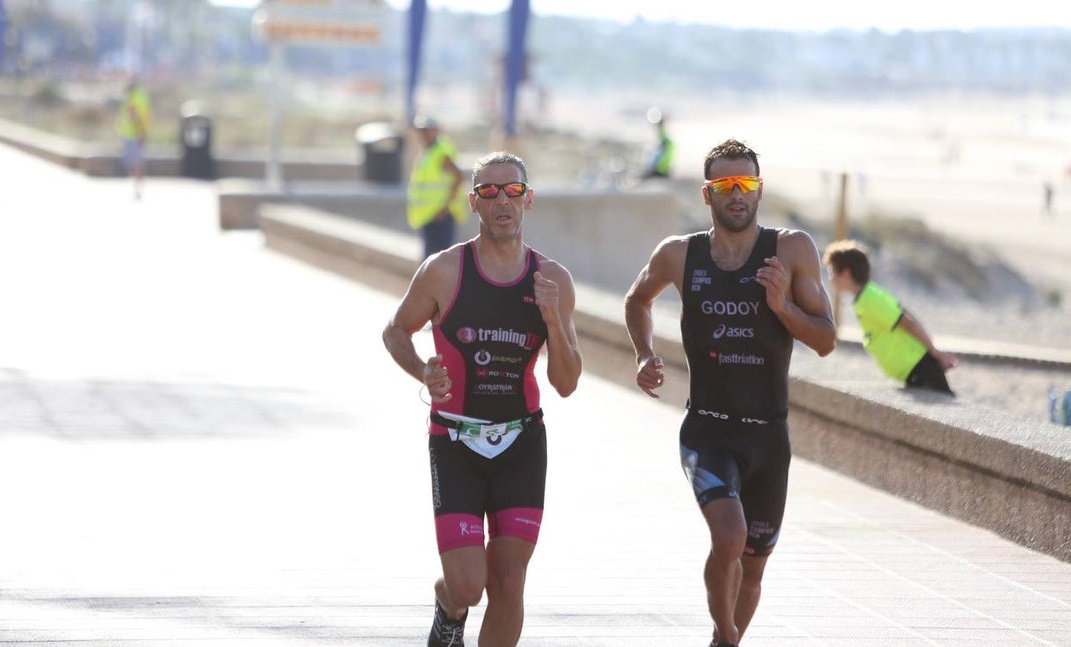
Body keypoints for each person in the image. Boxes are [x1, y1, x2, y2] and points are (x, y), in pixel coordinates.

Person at [623, 138, 835, 647]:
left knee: (754, 567)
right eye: (725, 185)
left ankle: (724, 641)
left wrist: (782, 306)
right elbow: (637, 300)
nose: (736, 194)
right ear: (707, 193)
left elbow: (826, 339)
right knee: (729, 537)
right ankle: (726, 632)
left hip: (769, 436)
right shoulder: (679, 254)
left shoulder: (791, 249)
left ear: (759, 190)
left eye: (746, 184)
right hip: (708, 429)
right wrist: (644, 354)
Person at [383, 151, 582, 647]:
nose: (502, 201)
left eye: (513, 191)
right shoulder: (444, 270)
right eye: (489, 192)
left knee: (509, 581)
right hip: (455, 442)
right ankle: (449, 603)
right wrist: (422, 371)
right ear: (473, 203)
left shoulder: (552, 279)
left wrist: (553, 319)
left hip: (521, 442)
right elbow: (395, 331)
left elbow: (566, 382)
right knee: (469, 586)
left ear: (528, 200)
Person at [823, 239, 958, 394]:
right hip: (914, 370)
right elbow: (907, 314)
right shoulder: (867, 296)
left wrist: (936, 354)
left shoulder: (869, 300)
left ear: (846, 273)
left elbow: (908, 323)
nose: (830, 278)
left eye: (832, 272)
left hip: (920, 368)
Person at [408, 116, 468, 259]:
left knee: (440, 259)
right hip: (429, 215)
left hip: (440, 216)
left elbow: (459, 177)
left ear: (435, 131)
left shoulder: (441, 152)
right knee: (430, 258)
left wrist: (445, 208)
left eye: (426, 130)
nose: (423, 134)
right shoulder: (427, 152)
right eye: (421, 131)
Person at [116, 77, 151, 199]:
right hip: (134, 134)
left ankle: (137, 186)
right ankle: (138, 185)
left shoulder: (132, 99)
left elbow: (134, 118)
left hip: (133, 135)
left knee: (135, 162)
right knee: (136, 161)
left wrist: (141, 134)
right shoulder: (139, 98)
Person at [643, 107, 675, 179]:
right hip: (663, 170)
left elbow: (659, 159)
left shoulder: (666, 141)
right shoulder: (667, 140)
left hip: (660, 171)